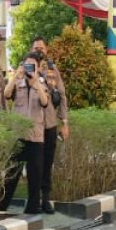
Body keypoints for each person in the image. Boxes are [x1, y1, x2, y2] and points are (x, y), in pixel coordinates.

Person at [0, 52, 51, 213]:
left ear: (37, 67)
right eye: (26, 65)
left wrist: (36, 83)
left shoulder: (42, 83)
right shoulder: (18, 82)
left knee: (35, 177)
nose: (28, 68)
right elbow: (6, 94)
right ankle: (0, 207)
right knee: (11, 175)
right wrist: (15, 77)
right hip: (19, 137)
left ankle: (33, 209)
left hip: (36, 136)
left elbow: (45, 102)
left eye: (31, 66)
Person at [37, 56, 69, 214]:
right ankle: (33, 199)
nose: (39, 50)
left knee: (47, 163)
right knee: (34, 164)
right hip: (33, 126)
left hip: (50, 124)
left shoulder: (52, 69)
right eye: (36, 48)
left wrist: (64, 122)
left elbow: (62, 95)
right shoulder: (27, 68)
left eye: (42, 48)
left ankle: (45, 199)